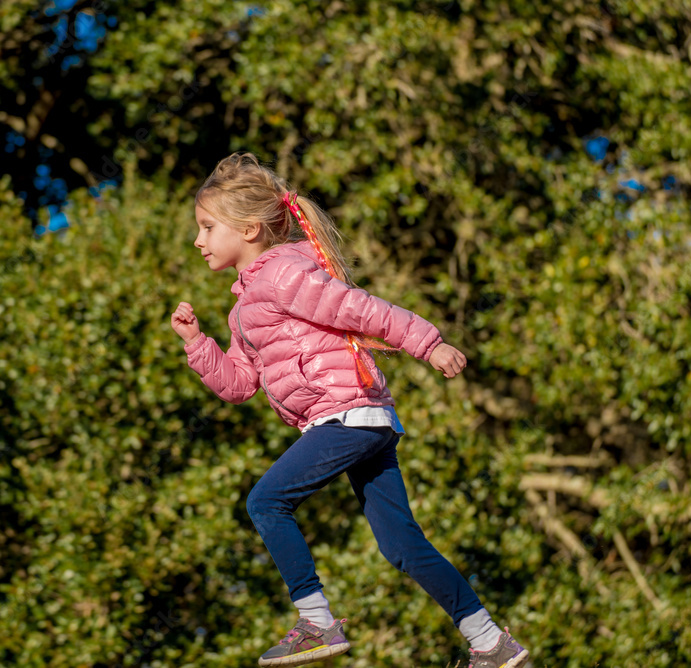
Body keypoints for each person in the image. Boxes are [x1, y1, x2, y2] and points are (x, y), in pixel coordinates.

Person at [170, 152, 529, 668]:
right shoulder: (244, 305)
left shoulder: (284, 276)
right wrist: (196, 342)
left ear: (249, 230)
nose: (199, 241)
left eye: (207, 227)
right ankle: (490, 641)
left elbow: (361, 308)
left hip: (348, 416)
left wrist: (428, 344)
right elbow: (240, 384)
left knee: (266, 502)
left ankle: (316, 622)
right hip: (361, 423)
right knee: (402, 546)